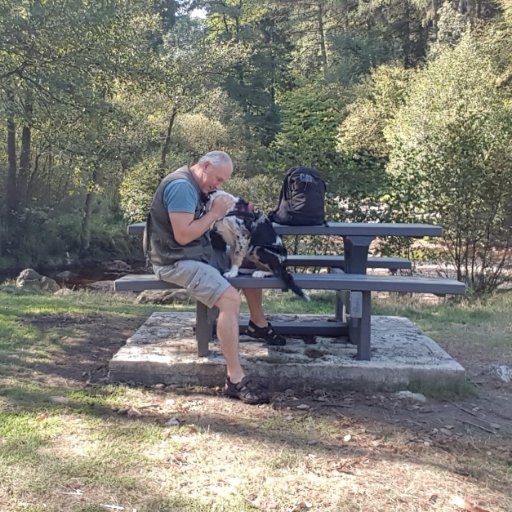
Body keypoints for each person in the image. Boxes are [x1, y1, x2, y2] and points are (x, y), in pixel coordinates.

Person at [144, 150, 286, 404]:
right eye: (218, 179)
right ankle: (235, 378)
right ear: (205, 166)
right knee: (230, 300)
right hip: (176, 261)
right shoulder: (181, 188)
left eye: (222, 182)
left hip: (196, 253)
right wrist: (215, 213)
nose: (218, 185)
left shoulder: (197, 187)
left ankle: (258, 324)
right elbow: (183, 236)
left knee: (244, 259)